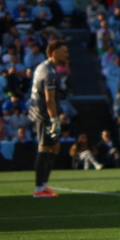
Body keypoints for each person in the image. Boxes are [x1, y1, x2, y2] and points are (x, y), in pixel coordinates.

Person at [30, 38, 68, 197]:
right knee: (44, 147)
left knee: (54, 147)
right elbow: (49, 100)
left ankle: (44, 185)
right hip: (43, 114)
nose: (67, 55)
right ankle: (39, 188)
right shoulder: (49, 73)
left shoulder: (46, 67)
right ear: (54, 53)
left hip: (44, 111)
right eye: (64, 52)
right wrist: (54, 121)